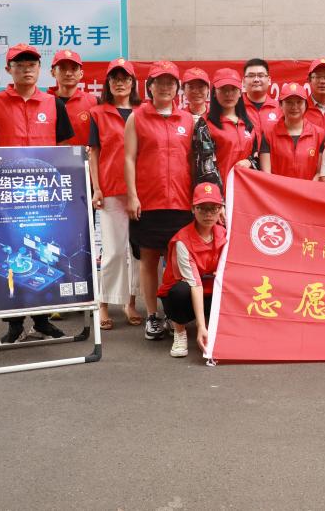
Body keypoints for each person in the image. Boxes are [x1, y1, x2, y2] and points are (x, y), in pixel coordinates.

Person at [0, 44, 75, 343]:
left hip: (44, 197)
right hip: (8, 197)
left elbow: (65, 150)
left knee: (42, 254)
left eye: (32, 64)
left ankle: (42, 321)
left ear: (40, 69)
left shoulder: (54, 105)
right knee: (12, 254)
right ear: (8, 69)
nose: (26, 69)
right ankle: (14, 324)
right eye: (19, 64)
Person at [123, 60, 195, 341]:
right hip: (148, 200)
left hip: (181, 201)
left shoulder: (187, 120)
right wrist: (132, 195)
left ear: (177, 88)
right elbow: (129, 158)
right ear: (149, 86)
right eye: (159, 82)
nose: (165, 87)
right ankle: (152, 316)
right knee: (149, 260)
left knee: (176, 263)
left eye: (170, 82)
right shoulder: (136, 117)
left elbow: (192, 161)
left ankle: (174, 315)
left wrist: (194, 198)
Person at [88, 58, 142, 330]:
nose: (120, 83)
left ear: (133, 83)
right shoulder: (98, 113)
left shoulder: (143, 112)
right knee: (113, 251)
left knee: (137, 252)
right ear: (108, 83)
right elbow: (94, 153)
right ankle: (103, 304)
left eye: (125, 78)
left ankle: (130, 303)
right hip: (110, 189)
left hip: (141, 191)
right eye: (115, 79)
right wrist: (96, 187)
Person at [157, 182, 227, 358]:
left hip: (211, 292)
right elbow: (195, 285)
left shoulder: (225, 234)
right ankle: (179, 331)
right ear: (193, 209)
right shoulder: (182, 241)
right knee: (180, 290)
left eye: (214, 208)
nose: (208, 214)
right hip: (188, 293)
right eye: (202, 208)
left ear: (221, 209)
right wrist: (201, 327)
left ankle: (221, 328)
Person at [202, 68, 258, 187]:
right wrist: (218, 194)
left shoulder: (249, 124)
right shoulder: (205, 124)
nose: (228, 94)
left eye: (233, 89)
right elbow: (204, 167)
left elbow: (256, 156)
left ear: (240, 92)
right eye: (223, 89)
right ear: (214, 93)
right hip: (219, 191)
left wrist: (249, 162)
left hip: (247, 190)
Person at [260, 83, 325, 181]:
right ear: (280, 105)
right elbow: (266, 174)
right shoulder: (268, 134)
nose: (294, 107)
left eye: (299, 102)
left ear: (306, 105)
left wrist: (307, 188)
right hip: (277, 190)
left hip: (309, 189)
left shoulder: (319, 134)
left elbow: (319, 173)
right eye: (289, 102)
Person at [48, 49, 98, 147]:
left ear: (81, 73)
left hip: (85, 157)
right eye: (63, 68)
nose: (68, 73)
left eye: (74, 68)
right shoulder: (43, 102)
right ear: (53, 73)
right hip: (51, 157)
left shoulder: (94, 102)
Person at [241, 58, 281, 131]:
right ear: (243, 81)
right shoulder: (235, 108)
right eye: (251, 76)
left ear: (269, 80)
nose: (256, 80)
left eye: (260, 75)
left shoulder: (280, 109)